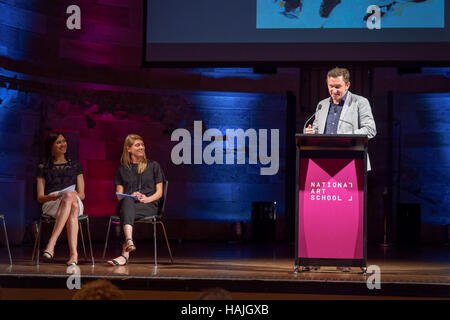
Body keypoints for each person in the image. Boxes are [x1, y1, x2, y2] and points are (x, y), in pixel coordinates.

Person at [107, 134, 164, 266]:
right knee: (127, 202)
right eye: (137, 145)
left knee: (125, 212)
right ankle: (129, 241)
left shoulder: (154, 166)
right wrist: (131, 195)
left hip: (148, 205)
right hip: (128, 204)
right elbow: (119, 196)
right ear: (128, 149)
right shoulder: (122, 169)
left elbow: (160, 192)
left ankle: (125, 253)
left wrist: (147, 198)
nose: (141, 147)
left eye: (142, 145)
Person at [305, 66, 376, 170]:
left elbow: (370, 130)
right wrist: (310, 132)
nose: (334, 91)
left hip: (352, 161)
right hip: (323, 162)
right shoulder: (322, 105)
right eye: (331, 86)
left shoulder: (360, 102)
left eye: (337, 87)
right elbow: (316, 130)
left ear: (347, 85)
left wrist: (344, 138)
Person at [36, 132, 85, 266]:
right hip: (52, 202)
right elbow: (40, 198)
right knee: (71, 206)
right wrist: (51, 196)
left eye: (64, 141)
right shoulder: (43, 167)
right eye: (58, 142)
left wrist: (72, 195)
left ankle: (52, 244)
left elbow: (82, 195)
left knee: (71, 198)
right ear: (51, 146)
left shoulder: (76, 165)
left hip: (74, 199)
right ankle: (74, 255)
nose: (63, 144)